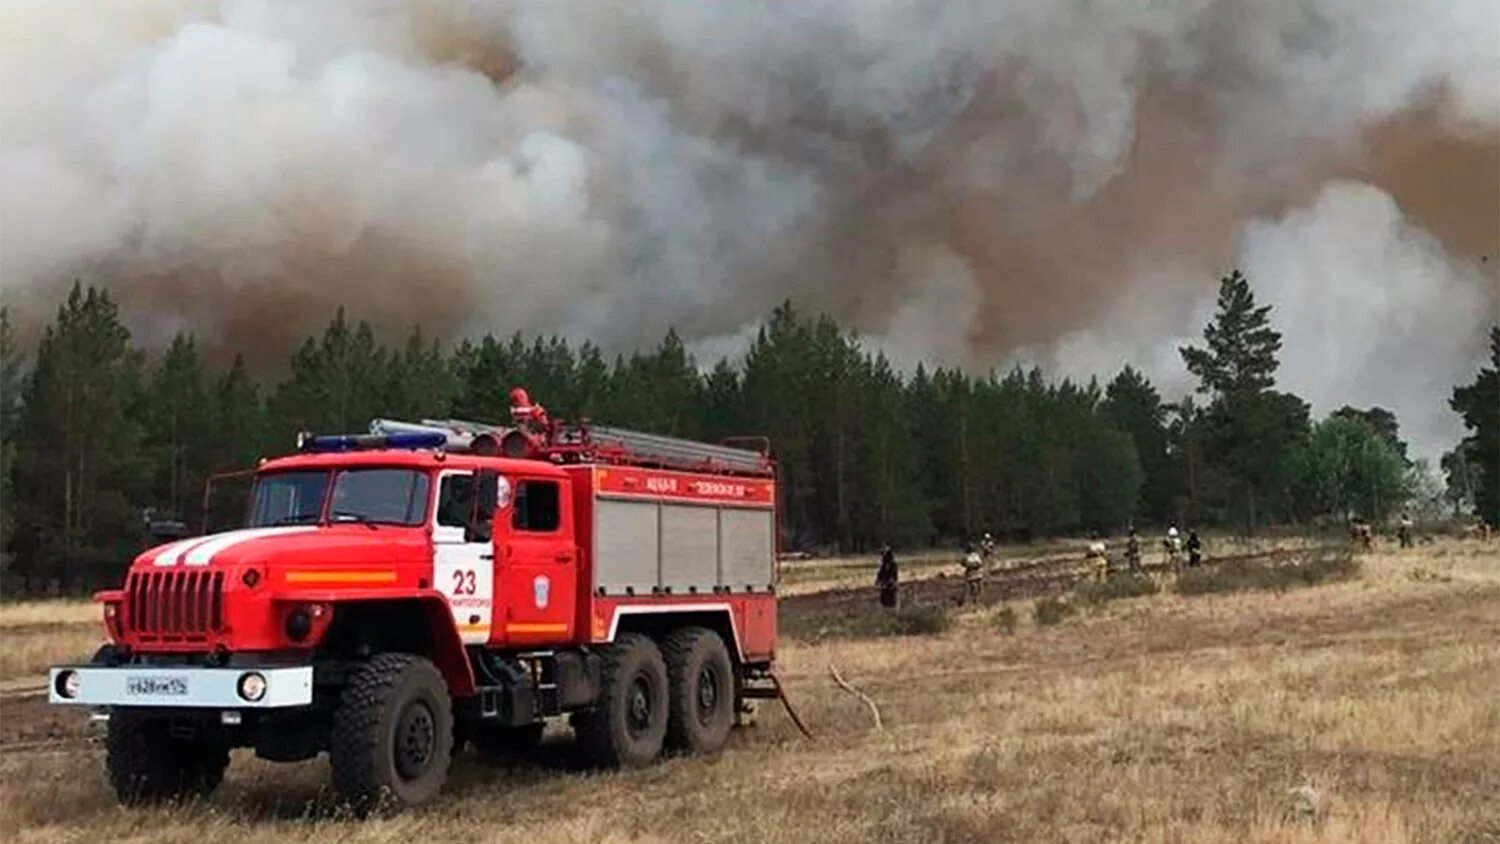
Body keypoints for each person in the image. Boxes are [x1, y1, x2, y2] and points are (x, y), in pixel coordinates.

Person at [875, 545, 900, 609]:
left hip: (891, 585)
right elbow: (880, 573)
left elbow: (894, 575)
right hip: (885, 584)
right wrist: (878, 581)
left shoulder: (893, 564)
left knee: (891, 599)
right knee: (883, 599)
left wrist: (890, 582)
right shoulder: (883, 564)